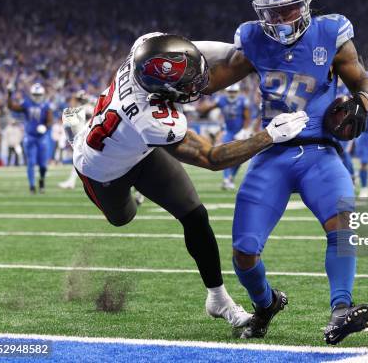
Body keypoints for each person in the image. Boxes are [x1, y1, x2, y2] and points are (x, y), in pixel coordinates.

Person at [66, 32, 308, 330]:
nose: (197, 85)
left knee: (195, 215)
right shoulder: (151, 119)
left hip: (139, 150)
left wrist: (244, 52)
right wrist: (269, 135)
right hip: (101, 168)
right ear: (160, 90)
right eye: (187, 85)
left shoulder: (147, 51)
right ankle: (76, 135)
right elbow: (211, 158)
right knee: (123, 217)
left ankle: (218, 299)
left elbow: (191, 51)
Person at [202, 0, 368, 344]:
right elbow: (213, 81)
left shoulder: (331, 33)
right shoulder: (252, 39)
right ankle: (266, 304)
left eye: (290, 9)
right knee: (244, 252)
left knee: (342, 225)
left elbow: (361, 79)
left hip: (319, 151)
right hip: (273, 152)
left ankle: (341, 310)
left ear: (306, 4)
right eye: (272, 13)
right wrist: (174, 78)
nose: (281, 20)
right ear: (260, 13)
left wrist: (363, 101)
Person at [197, 82, 252, 190]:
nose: (232, 94)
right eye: (230, 92)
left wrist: (245, 130)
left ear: (237, 92)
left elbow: (247, 117)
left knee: (240, 158)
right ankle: (226, 179)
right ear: (227, 92)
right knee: (224, 155)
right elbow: (207, 109)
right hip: (228, 130)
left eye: (234, 92)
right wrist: (199, 109)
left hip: (239, 131)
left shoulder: (243, 100)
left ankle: (230, 178)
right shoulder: (221, 100)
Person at [7, 83, 53, 193]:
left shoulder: (46, 105)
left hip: (42, 138)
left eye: (39, 94)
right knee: (31, 162)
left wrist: (45, 126)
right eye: (35, 94)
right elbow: (11, 107)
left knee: (43, 165)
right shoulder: (27, 103)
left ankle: (41, 181)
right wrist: (9, 94)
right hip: (30, 137)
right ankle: (32, 186)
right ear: (31, 94)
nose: (37, 96)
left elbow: (50, 121)